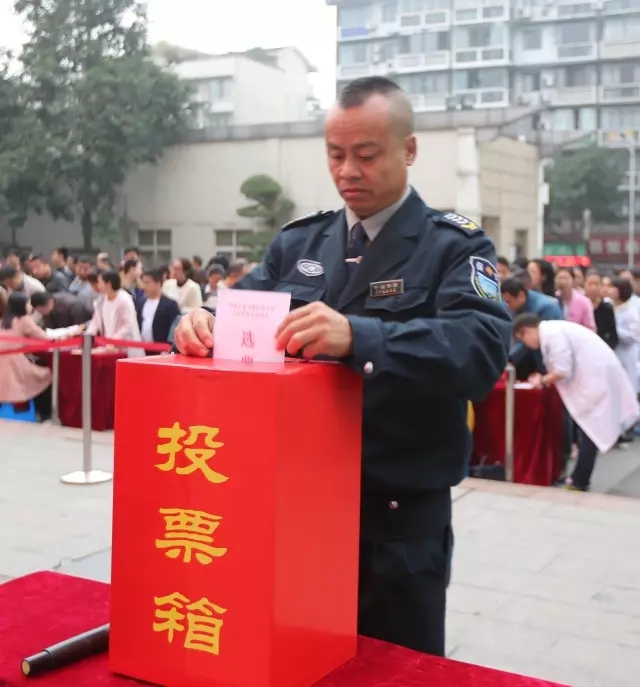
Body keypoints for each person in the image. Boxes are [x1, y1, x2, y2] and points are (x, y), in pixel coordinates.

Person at [172, 76, 512, 656]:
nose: (348, 170)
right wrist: (202, 318)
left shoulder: (453, 247)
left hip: (397, 521)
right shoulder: (300, 244)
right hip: (297, 508)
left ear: (408, 149)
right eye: (335, 154)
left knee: (394, 667)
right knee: (296, 659)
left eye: (367, 154)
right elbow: (241, 305)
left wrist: (360, 336)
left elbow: (479, 349)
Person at [513, 313, 639, 491]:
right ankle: (579, 478)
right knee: (589, 431)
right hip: (595, 377)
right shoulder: (553, 330)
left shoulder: (553, 334)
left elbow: (562, 369)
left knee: (589, 431)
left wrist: (542, 380)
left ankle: (580, 481)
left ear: (526, 331)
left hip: (595, 380)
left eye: (522, 339)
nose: (526, 345)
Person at [0, 292, 53, 421]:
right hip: (15, 364)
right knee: (45, 377)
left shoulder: (3, 321)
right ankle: (45, 414)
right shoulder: (24, 321)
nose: (30, 306)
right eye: (28, 303)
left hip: (4, 363)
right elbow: (45, 338)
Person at [137, 269, 182, 351]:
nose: (144, 286)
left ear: (158, 283)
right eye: (143, 282)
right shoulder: (141, 302)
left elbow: (175, 329)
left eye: (147, 283)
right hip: (143, 348)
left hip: (162, 349)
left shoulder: (170, 305)